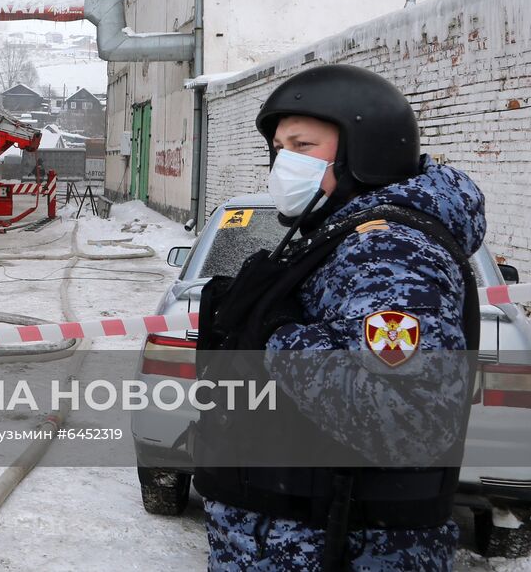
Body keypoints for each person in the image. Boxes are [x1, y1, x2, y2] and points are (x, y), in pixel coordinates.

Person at [195, 64, 484, 572]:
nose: (284, 163)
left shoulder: (390, 253)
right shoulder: (344, 237)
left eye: (303, 146)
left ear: (366, 151)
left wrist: (277, 334)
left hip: (341, 550)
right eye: (279, 149)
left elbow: (407, 420)